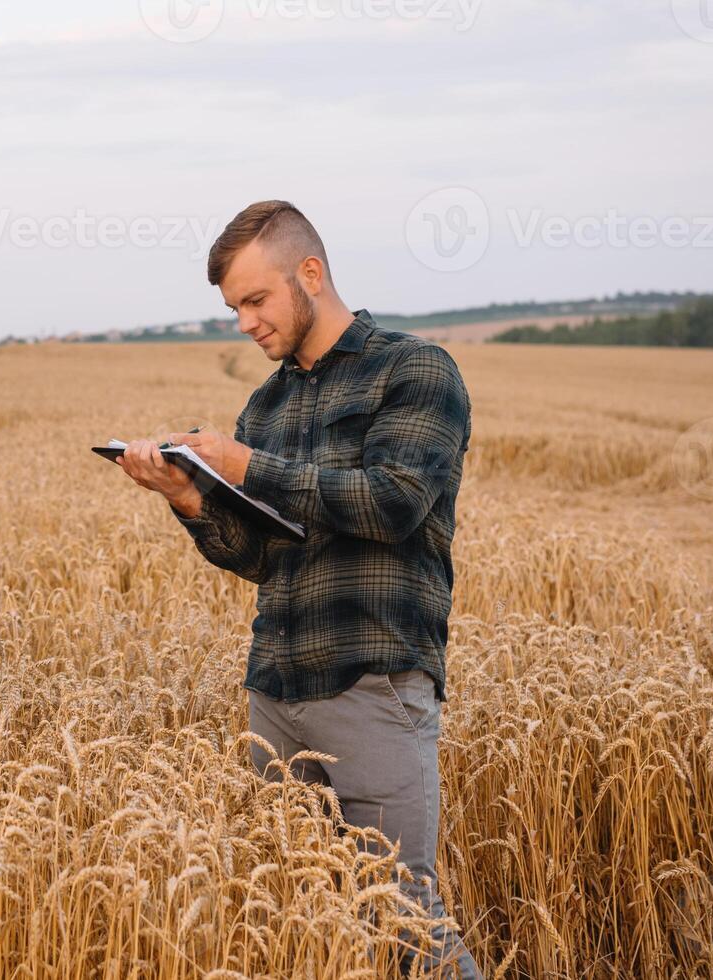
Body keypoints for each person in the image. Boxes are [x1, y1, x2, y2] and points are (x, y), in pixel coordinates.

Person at [116, 200, 482, 979]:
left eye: (256, 300)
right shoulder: (268, 406)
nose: (245, 322)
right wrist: (185, 498)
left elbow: (393, 503)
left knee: (406, 925)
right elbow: (259, 553)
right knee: (301, 919)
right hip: (274, 690)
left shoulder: (414, 370)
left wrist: (245, 466)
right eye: (233, 308)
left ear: (310, 274)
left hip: (373, 683)